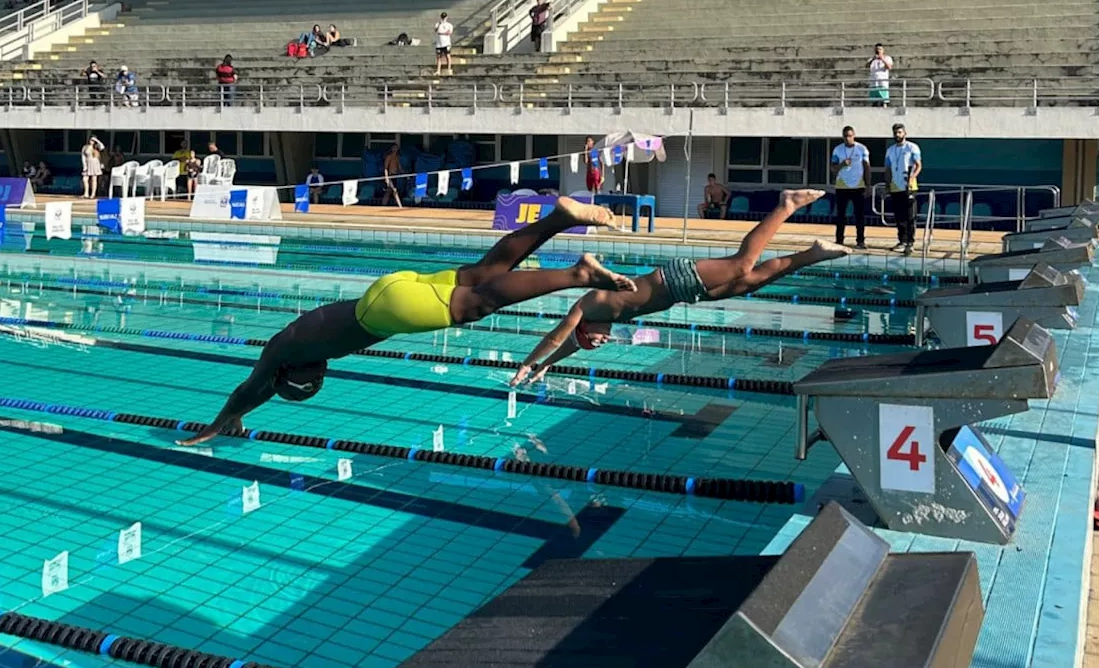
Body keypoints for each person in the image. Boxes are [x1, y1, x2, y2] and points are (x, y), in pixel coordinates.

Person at [177, 198, 631, 446]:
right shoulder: (280, 346)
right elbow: (249, 389)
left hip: (385, 314)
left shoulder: (295, 354)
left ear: (303, 372)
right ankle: (557, 217)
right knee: (485, 270)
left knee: (478, 301)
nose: (322, 373)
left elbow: (252, 389)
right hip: (389, 287)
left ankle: (579, 273)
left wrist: (216, 426)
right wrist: (234, 415)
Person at [510, 190, 850, 385]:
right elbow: (571, 345)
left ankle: (785, 205)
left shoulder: (588, 305)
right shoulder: (599, 316)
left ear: (584, 327)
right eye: (597, 344)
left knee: (742, 265)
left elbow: (559, 336)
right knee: (751, 282)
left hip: (675, 279)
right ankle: (812, 254)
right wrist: (547, 366)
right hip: (684, 293)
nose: (601, 341)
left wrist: (528, 361)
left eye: (593, 339)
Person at [884, 123, 922, 256]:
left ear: (905, 133)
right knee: (899, 216)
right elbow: (888, 169)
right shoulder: (890, 150)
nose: (897, 135)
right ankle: (902, 241)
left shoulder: (912, 147)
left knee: (910, 215)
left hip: (909, 186)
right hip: (895, 186)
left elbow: (918, 165)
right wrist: (887, 185)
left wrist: (912, 177)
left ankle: (910, 242)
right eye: (895, 133)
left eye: (900, 132)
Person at [830, 125, 870, 248]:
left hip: (858, 186)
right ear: (843, 137)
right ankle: (839, 240)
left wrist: (868, 185)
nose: (848, 138)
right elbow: (832, 168)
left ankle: (860, 241)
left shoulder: (862, 149)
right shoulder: (838, 150)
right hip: (842, 186)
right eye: (846, 136)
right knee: (841, 215)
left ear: (854, 136)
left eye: (850, 136)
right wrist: (842, 164)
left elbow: (867, 167)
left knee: (859, 215)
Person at [867, 44, 893, 108]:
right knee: (874, 102)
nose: (878, 51)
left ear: (883, 50)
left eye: (880, 49)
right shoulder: (872, 59)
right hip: (874, 83)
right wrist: (873, 59)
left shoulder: (887, 58)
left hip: (882, 83)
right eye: (876, 49)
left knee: (883, 100)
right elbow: (866, 66)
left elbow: (889, 67)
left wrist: (882, 59)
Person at [382, 143, 403, 208]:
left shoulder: (397, 157)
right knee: (394, 190)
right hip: (390, 176)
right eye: (394, 148)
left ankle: (383, 205)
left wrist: (405, 174)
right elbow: (385, 168)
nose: (395, 149)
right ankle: (400, 206)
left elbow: (399, 168)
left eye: (396, 148)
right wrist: (386, 178)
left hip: (395, 175)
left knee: (388, 191)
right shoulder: (389, 157)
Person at [434, 12, 453, 76]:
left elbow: (449, 33)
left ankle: (449, 69)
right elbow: (436, 30)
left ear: (447, 17)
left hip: (446, 43)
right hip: (439, 44)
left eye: (444, 17)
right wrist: (439, 25)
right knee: (439, 57)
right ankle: (438, 70)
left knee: (448, 56)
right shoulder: (437, 24)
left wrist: (442, 33)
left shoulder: (449, 25)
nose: (443, 18)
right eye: (442, 17)